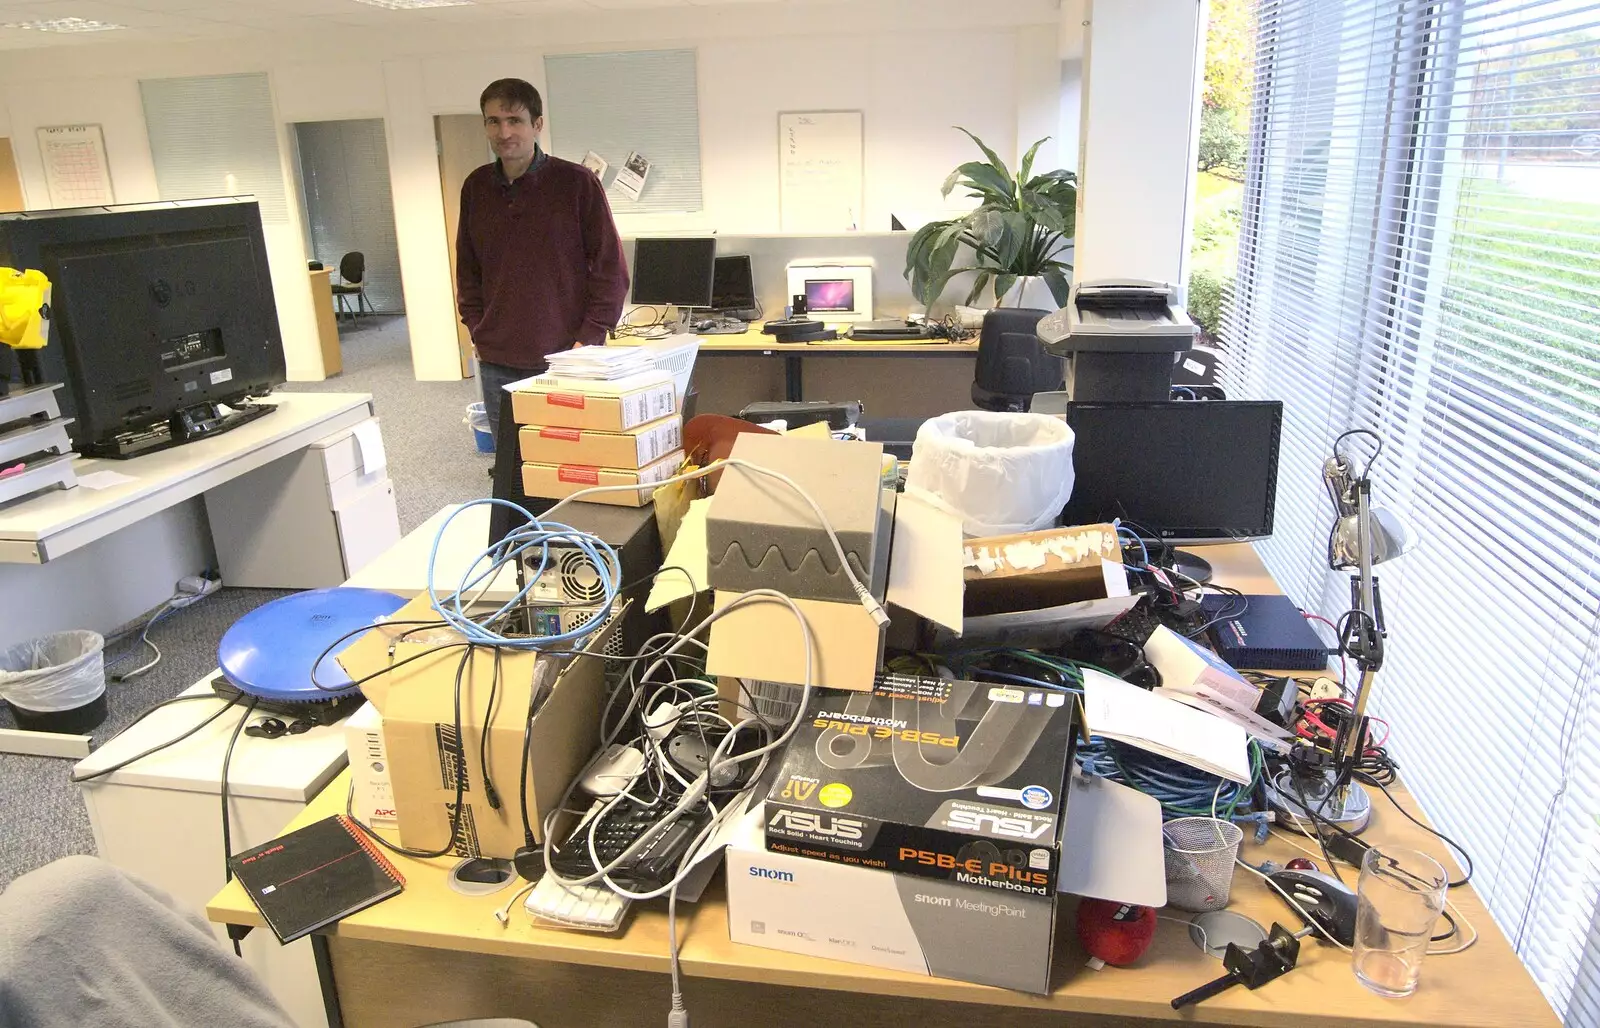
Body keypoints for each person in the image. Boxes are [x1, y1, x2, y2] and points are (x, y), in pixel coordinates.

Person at [456, 78, 629, 446]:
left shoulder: (576, 183)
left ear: (537, 124)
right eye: (493, 121)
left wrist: (589, 338)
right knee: (511, 465)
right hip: (497, 357)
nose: (504, 132)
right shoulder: (476, 187)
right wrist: (476, 326)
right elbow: (468, 268)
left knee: (568, 462)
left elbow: (610, 268)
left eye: (514, 120)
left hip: (566, 357)